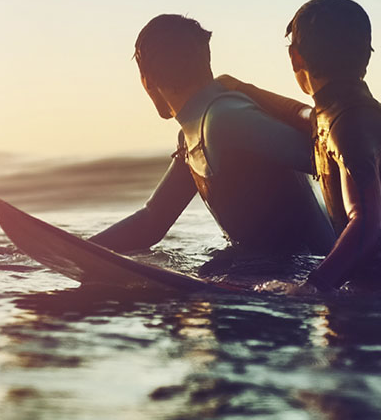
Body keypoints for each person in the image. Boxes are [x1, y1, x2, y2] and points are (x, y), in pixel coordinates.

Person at [225, 0, 381, 292]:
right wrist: (244, 89)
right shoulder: (341, 113)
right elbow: (302, 113)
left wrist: (311, 287)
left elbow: (369, 227)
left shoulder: (351, 124)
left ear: (295, 57)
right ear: (367, 55)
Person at [89, 14, 335, 279]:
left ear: (146, 80)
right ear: (205, 62)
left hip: (311, 274)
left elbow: (332, 155)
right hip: (270, 272)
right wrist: (77, 252)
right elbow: (153, 220)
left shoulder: (224, 119)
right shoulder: (195, 132)